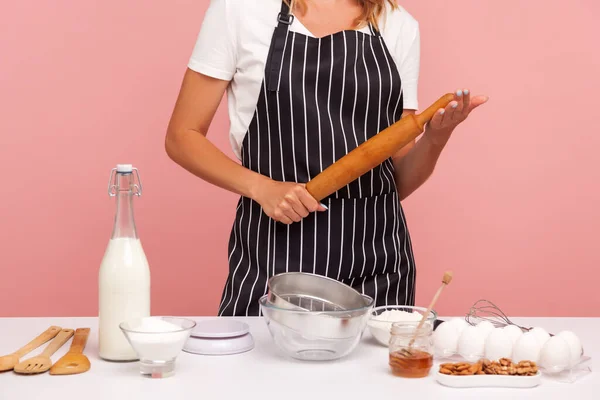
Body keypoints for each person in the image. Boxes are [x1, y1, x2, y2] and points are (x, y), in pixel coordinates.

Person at [165, 0, 488, 316]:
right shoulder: (240, 9)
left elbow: (398, 180)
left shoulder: (397, 23)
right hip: (276, 249)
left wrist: (436, 136)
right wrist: (261, 188)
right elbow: (182, 137)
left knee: (374, 370)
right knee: (260, 366)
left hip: (378, 258)